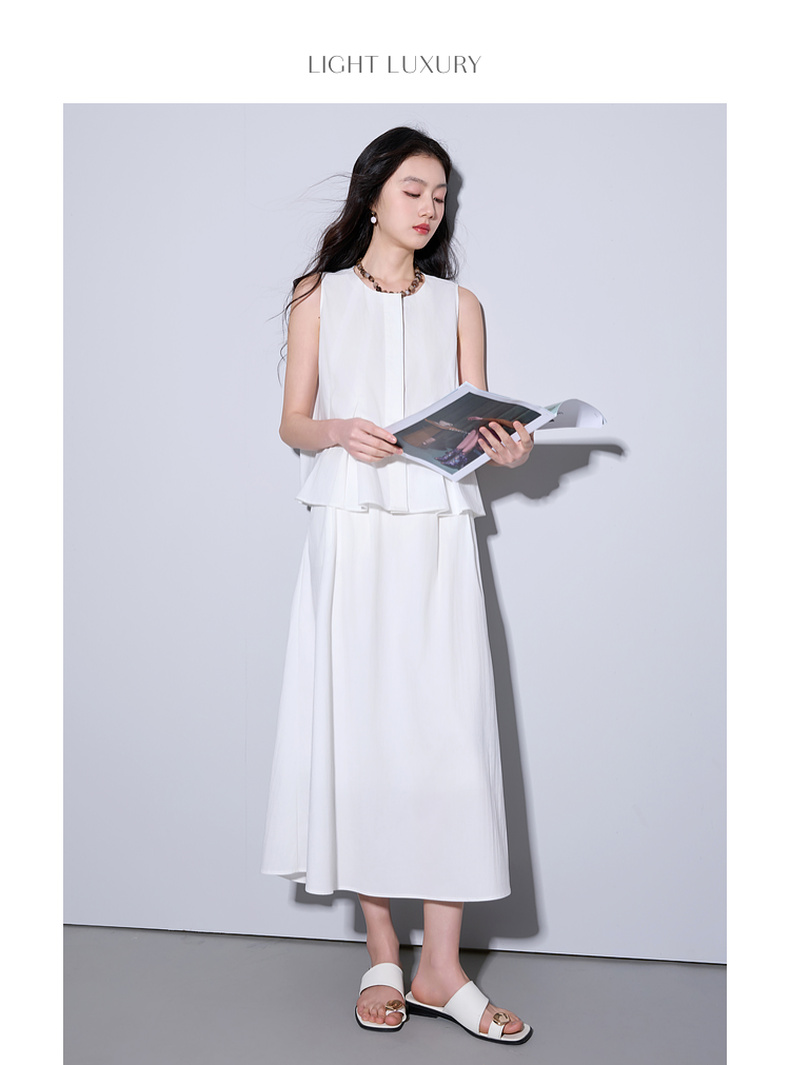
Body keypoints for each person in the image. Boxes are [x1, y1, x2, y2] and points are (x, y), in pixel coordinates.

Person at [261, 127, 534, 1045]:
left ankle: (441, 966)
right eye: (414, 190)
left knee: (450, 729)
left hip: (437, 530)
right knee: (362, 724)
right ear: (373, 193)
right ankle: (384, 950)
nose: (429, 208)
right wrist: (340, 430)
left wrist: (508, 447)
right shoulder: (319, 295)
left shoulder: (461, 303)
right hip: (351, 524)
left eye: (440, 195)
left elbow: (477, 418)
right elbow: (293, 422)